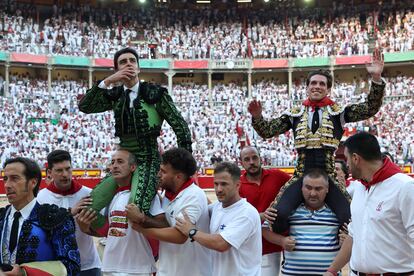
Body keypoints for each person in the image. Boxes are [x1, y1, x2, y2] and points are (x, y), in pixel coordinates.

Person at [248, 49, 386, 232]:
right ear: (307, 88)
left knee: (351, 217)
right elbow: (267, 131)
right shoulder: (294, 114)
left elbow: (369, 108)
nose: (317, 86)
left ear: (328, 89)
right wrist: (257, 117)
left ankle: (341, 255)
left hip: (328, 175)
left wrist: (376, 78)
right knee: (278, 215)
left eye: (322, 84)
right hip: (301, 175)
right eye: (313, 83)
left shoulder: (339, 112)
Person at [78, 47, 192, 229]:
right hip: (123, 160)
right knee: (87, 209)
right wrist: (108, 81)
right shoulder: (115, 96)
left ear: (139, 68)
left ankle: (149, 249)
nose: (128, 64)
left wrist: (185, 167)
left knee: (134, 207)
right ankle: (113, 237)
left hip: (148, 160)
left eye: (132, 61)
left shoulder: (156, 94)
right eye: (123, 62)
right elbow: (85, 106)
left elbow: (181, 128)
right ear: (117, 70)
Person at [324, 132, 414, 276]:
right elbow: (354, 235)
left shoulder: (405, 187)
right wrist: (331, 271)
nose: (346, 164)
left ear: (356, 158)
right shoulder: (360, 187)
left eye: (346, 159)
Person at [76, 149, 166, 276]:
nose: (115, 166)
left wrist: (142, 218)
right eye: (112, 162)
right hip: (110, 265)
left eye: (120, 162)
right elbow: (111, 232)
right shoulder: (112, 197)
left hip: (137, 268)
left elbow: (164, 225)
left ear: (133, 167)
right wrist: (86, 229)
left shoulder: (147, 196)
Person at [127, 148, 212, 276]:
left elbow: (179, 236)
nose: (158, 175)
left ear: (178, 176)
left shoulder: (193, 195)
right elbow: (167, 222)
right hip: (169, 270)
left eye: (163, 172)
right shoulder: (168, 194)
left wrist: (142, 226)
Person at [175, 161, 262, 276]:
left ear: (237, 185)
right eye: (216, 184)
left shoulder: (246, 213)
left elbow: (221, 244)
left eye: (224, 184)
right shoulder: (216, 207)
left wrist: (191, 231)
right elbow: (201, 204)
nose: (219, 189)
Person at [1, 157, 80, 275]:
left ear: (33, 182)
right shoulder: (1, 217)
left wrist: (26, 273)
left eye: (15, 178)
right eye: (5, 179)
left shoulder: (56, 218)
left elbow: (72, 267)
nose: (7, 185)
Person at [263, 169, 343, 275]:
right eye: (308, 188)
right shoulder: (289, 210)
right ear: (301, 188)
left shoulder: (337, 213)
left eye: (318, 189)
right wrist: (282, 241)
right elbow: (264, 229)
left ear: (327, 189)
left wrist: (344, 241)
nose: (313, 193)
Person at [36, 150, 101, 276]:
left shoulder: (88, 194)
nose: (65, 174)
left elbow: (103, 231)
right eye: (59, 170)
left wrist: (87, 229)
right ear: (49, 172)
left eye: (68, 169)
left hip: (88, 266)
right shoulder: (41, 198)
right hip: (56, 267)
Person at [239, 146, 290, 275]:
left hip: (283, 242)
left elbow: (298, 188)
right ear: (241, 163)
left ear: (260, 159)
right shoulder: (237, 185)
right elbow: (236, 215)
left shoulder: (277, 176)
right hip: (254, 246)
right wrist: (260, 216)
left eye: (254, 158)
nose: (251, 162)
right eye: (247, 159)